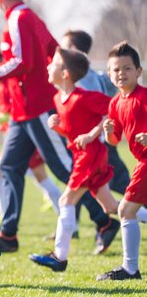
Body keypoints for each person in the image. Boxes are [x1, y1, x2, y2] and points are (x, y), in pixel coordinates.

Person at [0, 0, 118, 253]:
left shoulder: (19, 19)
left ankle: (104, 221)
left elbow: (23, 62)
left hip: (36, 107)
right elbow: (54, 51)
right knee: (9, 168)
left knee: (63, 167)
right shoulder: (31, 18)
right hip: (20, 111)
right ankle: (8, 234)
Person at [29, 48, 120, 272]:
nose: (49, 66)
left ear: (66, 73)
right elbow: (71, 136)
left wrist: (93, 133)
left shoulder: (83, 97)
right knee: (112, 207)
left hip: (91, 155)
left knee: (65, 201)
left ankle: (59, 257)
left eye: (55, 63)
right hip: (84, 155)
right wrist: (58, 126)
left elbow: (113, 110)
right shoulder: (58, 99)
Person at [0, 51, 62, 233]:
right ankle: (7, 218)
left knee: (31, 174)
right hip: (21, 136)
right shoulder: (2, 87)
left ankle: (70, 218)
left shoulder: (6, 85)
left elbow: (7, 115)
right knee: (8, 172)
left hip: (26, 138)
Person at [60, 29, 133, 242]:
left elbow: (107, 108)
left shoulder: (84, 81)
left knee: (128, 191)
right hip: (89, 149)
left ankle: (61, 252)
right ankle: (98, 227)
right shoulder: (79, 81)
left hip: (97, 148)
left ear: (72, 49)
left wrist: (92, 134)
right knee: (110, 203)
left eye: (63, 47)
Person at [97, 41, 147, 281]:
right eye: (116, 70)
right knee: (128, 210)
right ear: (109, 74)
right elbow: (115, 141)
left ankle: (130, 269)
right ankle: (130, 269)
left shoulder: (145, 98)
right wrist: (107, 131)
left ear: (138, 72)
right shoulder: (115, 103)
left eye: (127, 68)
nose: (121, 74)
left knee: (126, 210)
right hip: (142, 162)